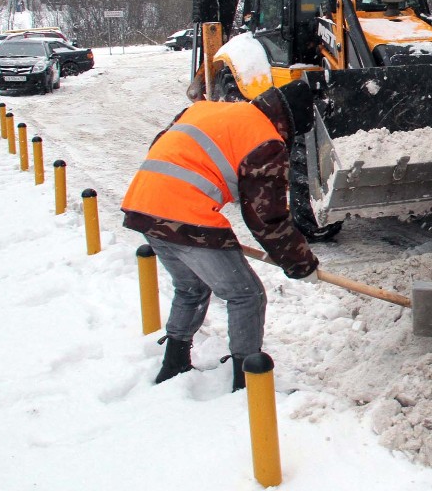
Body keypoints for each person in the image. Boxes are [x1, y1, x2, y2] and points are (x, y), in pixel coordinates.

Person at [121, 80, 320, 391]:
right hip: (185, 215)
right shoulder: (265, 139)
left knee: (191, 287)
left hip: (143, 204)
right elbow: (267, 218)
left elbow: (164, 144)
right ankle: (248, 380)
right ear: (289, 123)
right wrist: (300, 263)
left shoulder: (207, 109)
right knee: (246, 294)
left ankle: (174, 363)